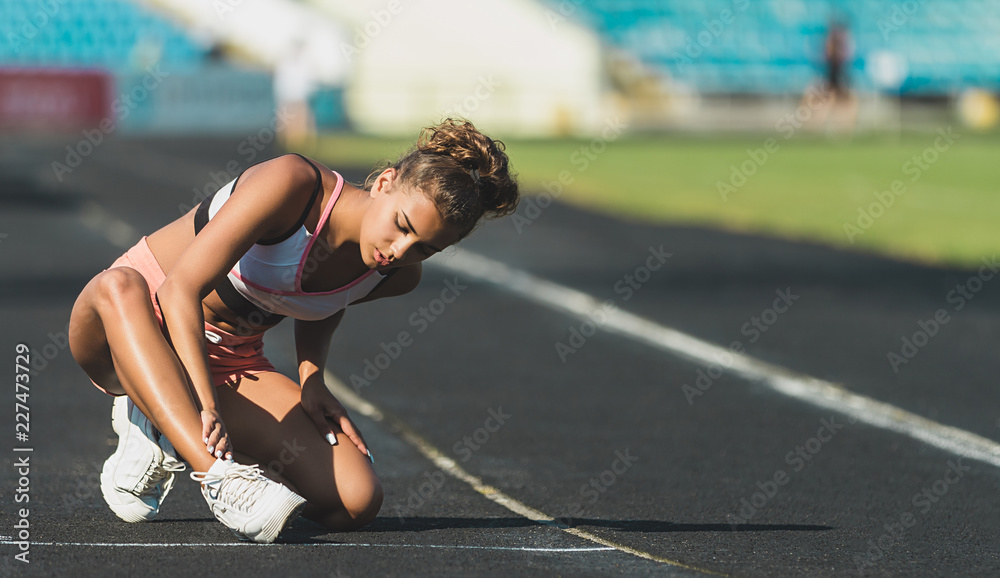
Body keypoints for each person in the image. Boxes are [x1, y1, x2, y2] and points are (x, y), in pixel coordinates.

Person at [68, 119, 519, 542]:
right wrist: (206, 406)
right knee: (120, 285)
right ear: (383, 182)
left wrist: (312, 378)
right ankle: (217, 474)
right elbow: (177, 292)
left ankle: (163, 422)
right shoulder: (292, 184)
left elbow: (329, 300)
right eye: (403, 226)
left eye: (426, 248)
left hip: (232, 363)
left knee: (356, 501)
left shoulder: (399, 275)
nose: (399, 251)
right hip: (129, 328)